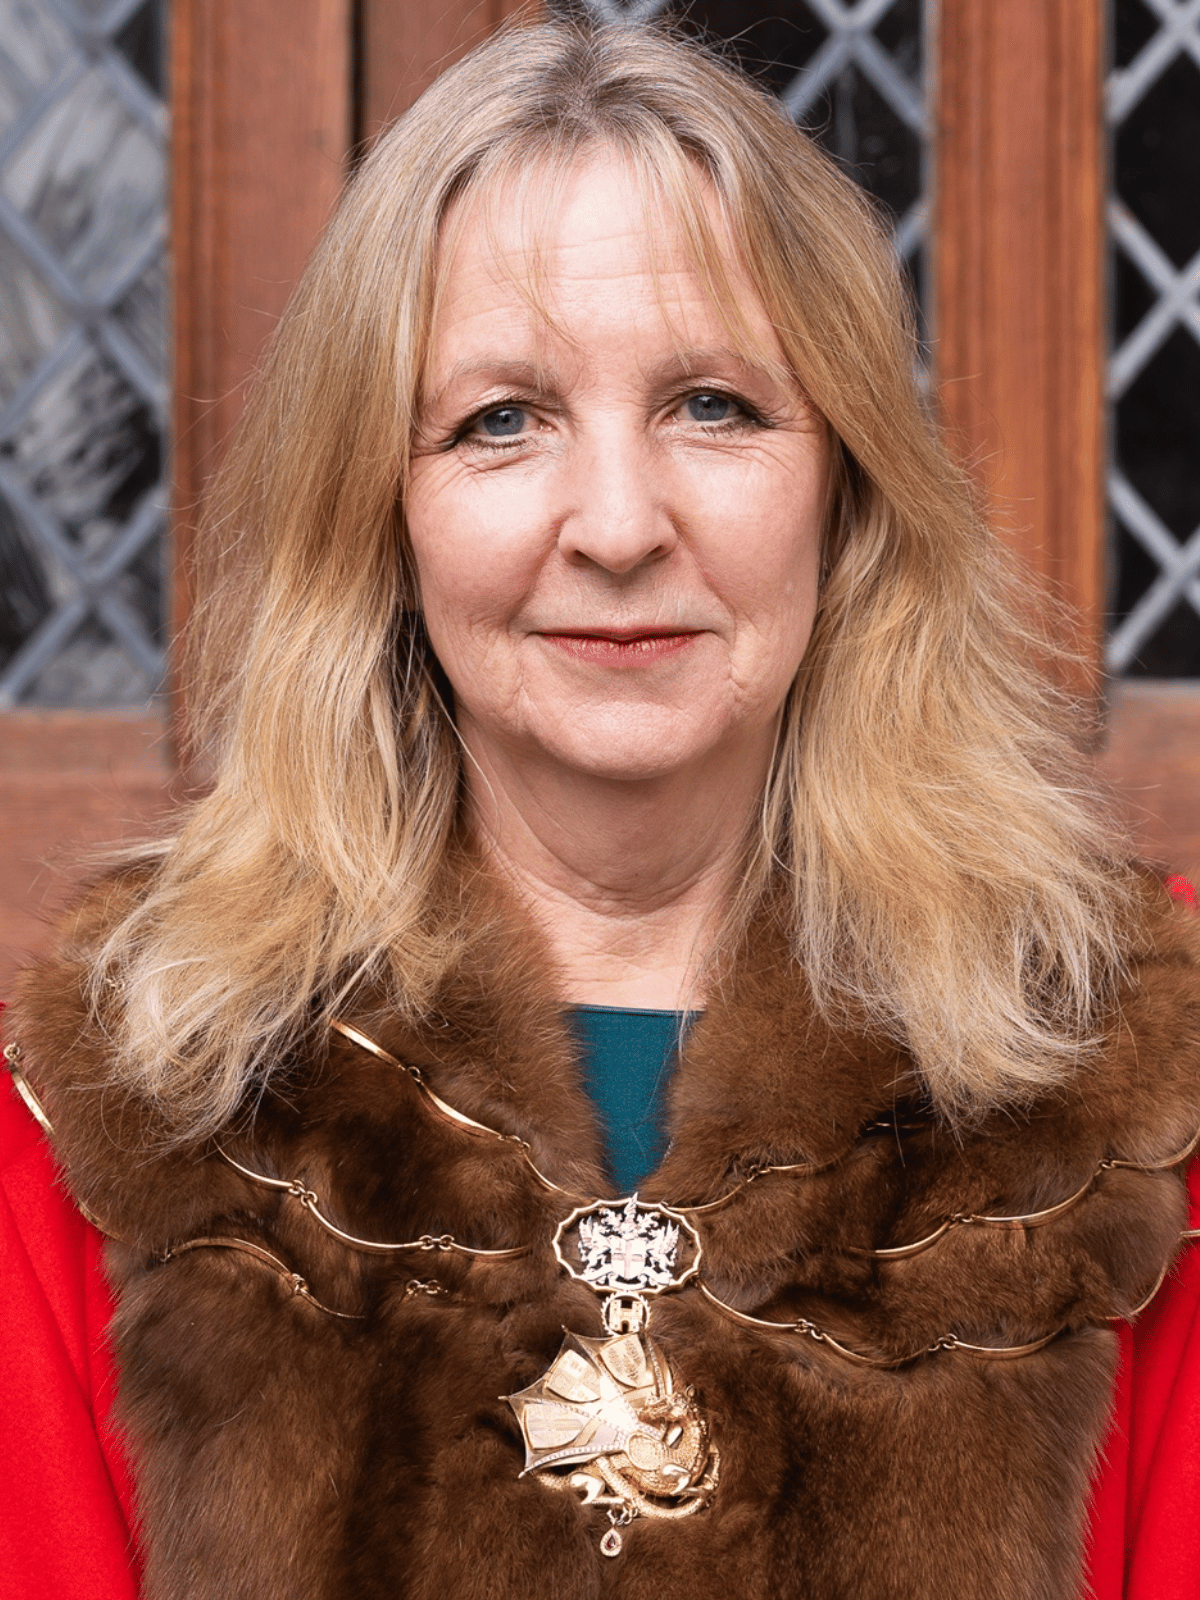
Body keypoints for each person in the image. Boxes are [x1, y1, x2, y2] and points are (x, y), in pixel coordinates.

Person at [3, 17, 1199, 1599]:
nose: (622, 524)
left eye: (715, 406)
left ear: (845, 490)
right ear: (383, 511)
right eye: (501, 419)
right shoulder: (130, 1093)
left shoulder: (1116, 1084)